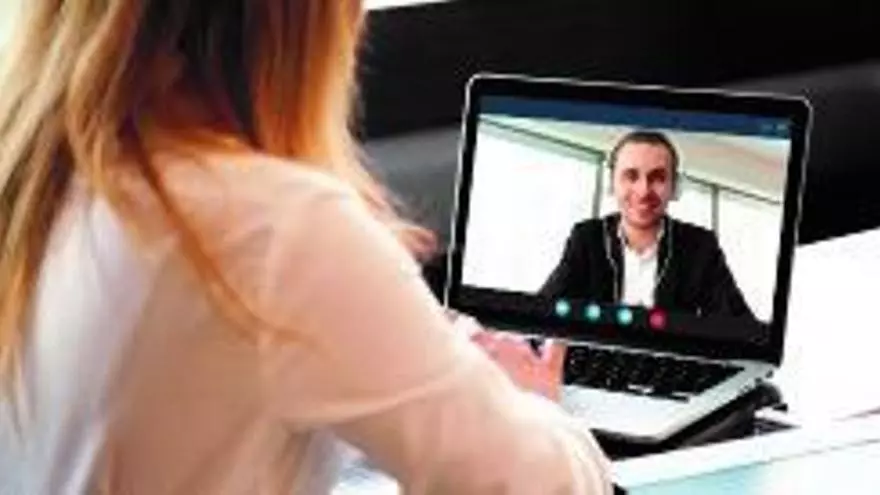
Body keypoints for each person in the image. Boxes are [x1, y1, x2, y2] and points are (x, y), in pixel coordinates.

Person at [0, 1, 612, 494]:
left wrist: (417, 351)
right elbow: (529, 483)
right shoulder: (269, 224)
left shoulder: (44, 184)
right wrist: (528, 402)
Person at [540, 130, 755, 320]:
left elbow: (739, 326)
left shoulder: (700, 246)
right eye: (631, 176)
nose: (643, 191)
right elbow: (544, 310)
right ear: (612, 182)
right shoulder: (587, 237)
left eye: (658, 178)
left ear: (674, 187)